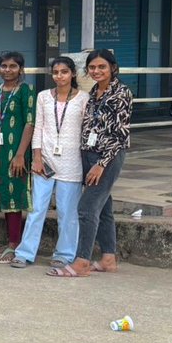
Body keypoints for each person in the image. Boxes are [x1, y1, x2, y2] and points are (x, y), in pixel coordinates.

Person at [50, 49, 131, 278]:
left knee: (86, 208)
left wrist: (101, 164)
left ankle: (82, 261)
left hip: (107, 158)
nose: (96, 71)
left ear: (113, 68)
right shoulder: (95, 91)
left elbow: (119, 135)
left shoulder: (121, 93)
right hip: (88, 155)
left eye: (102, 67)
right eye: (92, 67)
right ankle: (108, 258)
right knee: (103, 207)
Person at [13, 56, 85, 270]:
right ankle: (25, 252)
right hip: (44, 162)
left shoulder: (84, 99)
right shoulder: (44, 97)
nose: (59, 76)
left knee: (67, 212)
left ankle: (64, 254)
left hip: (72, 164)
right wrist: (36, 158)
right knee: (37, 209)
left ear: (72, 74)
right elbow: (38, 128)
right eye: (55, 72)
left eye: (64, 72)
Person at [0, 51, 35, 265]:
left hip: (16, 151)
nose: (8, 70)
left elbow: (29, 123)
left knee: (15, 196)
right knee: (4, 195)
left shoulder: (26, 91)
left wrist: (20, 154)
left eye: (13, 66)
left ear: (21, 69)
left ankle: (15, 244)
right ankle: (10, 241)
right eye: (4, 66)